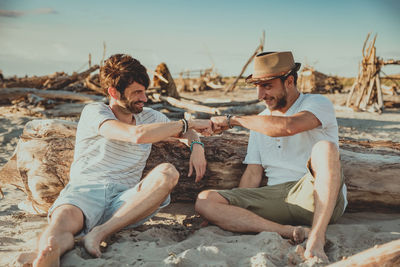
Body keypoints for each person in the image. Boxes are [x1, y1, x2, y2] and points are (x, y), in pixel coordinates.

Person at [25, 54, 212, 267]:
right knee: (62, 224)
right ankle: (47, 253)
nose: (145, 98)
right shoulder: (95, 111)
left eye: (145, 91)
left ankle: (98, 233)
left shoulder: (150, 116)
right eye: (137, 93)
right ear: (113, 92)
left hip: (126, 200)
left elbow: (185, 133)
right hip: (86, 191)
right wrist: (189, 123)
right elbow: (136, 135)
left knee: (168, 172)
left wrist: (197, 145)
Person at [195, 51, 347, 263]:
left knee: (326, 148)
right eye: (257, 87)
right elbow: (253, 172)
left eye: (267, 86)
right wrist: (225, 211)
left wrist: (233, 120)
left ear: (290, 81)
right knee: (205, 201)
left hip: (313, 193)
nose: (260, 95)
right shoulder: (259, 121)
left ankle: (317, 237)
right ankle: (289, 231)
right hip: (275, 198)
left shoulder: (317, 103)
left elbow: (288, 126)